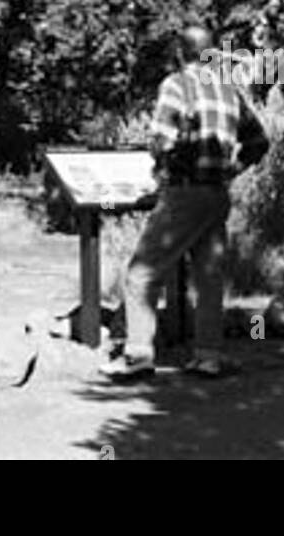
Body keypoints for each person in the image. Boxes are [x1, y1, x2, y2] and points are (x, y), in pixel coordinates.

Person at [100, 24, 269, 383]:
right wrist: (230, 170)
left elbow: (161, 140)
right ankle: (208, 355)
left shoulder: (176, 85)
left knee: (142, 273)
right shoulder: (228, 90)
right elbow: (258, 142)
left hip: (184, 191)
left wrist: (161, 170)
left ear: (180, 52)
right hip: (216, 194)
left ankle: (137, 355)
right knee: (208, 276)